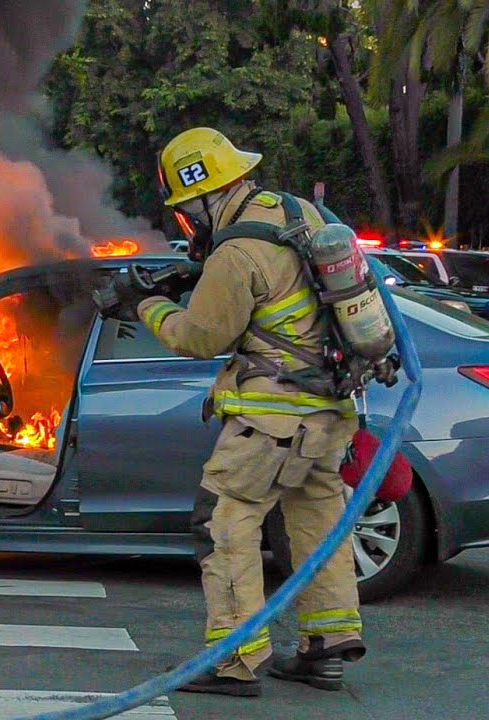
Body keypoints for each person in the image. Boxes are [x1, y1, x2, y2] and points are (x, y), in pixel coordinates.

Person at [138, 128, 365, 697]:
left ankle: (235, 658)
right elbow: (286, 294)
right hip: (328, 409)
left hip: (272, 418)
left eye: (186, 213)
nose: (187, 225)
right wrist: (198, 276)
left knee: (223, 521)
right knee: (317, 519)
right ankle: (326, 646)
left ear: (204, 197)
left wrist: (144, 304)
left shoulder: (235, 253)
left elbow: (200, 336)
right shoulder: (298, 213)